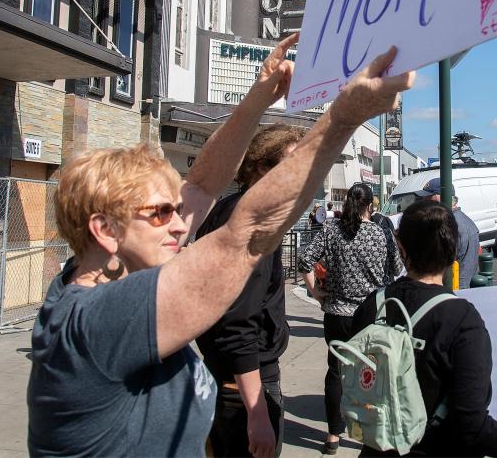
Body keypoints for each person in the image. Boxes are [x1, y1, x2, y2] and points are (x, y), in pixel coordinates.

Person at [26, 38, 414, 456]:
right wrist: (343, 118)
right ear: (105, 229)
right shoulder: (98, 319)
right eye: (160, 213)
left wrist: (258, 97)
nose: (179, 226)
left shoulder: (96, 276)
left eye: (176, 211)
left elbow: (203, 183)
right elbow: (245, 236)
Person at [351, 200, 497, 457]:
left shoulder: (374, 304)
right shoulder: (462, 320)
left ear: (401, 246)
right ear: (453, 253)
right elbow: (472, 427)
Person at [195, 124, 307, 458]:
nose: (299, 175)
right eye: (290, 164)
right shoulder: (252, 220)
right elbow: (238, 320)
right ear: (260, 166)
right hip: (245, 385)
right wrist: (257, 411)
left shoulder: (231, 207)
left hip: (229, 379)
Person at [299, 182, 405, 455]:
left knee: (335, 372)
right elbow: (397, 270)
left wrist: (316, 292)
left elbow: (305, 261)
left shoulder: (331, 231)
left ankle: (333, 435)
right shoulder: (381, 235)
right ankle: (367, 431)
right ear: (370, 206)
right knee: (371, 374)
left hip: (336, 314)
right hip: (370, 316)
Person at [414, 178, 479, 289]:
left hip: (453, 290)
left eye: (429, 197)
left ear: (442, 197)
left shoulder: (448, 224)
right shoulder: (466, 221)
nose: (424, 201)